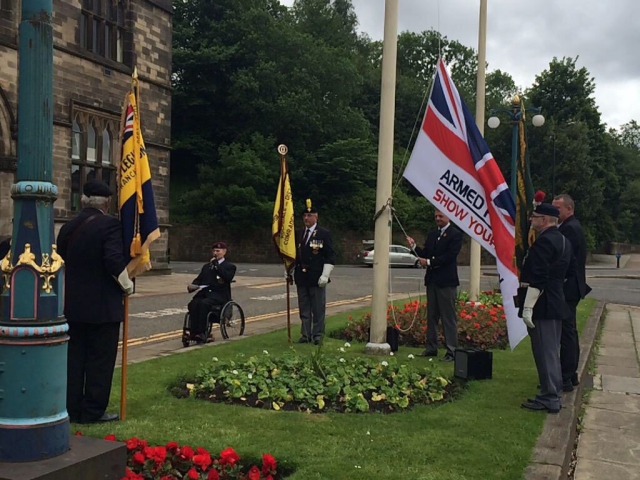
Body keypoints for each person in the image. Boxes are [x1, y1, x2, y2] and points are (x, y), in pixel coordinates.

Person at [56, 179, 134, 424]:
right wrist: (127, 285)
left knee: (74, 360)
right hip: (102, 307)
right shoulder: (110, 225)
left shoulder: (67, 227)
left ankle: (72, 408)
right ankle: (93, 411)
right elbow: (112, 260)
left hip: (72, 305)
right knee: (100, 361)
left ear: (83, 200)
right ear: (108, 202)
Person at [519, 203, 573, 414]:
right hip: (556, 299)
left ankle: (550, 396)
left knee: (544, 351)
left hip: (543, 303)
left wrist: (528, 307)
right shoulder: (563, 240)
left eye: (534, 217)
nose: (531, 220)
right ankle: (552, 392)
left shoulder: (544, 242)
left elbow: (538, 277)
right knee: (550, 350)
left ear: (544, 220)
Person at [406, 209, 462, 362]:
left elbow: (449, 257)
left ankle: (452, 351)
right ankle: (431, 348)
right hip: (432, 281)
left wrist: (429, 262)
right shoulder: (432, 234)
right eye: (436, 216)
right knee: (432, 316)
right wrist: (414, 247)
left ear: (448, 217)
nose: (438, 218)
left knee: (448, 317)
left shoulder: (455, 234)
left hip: (446, 282)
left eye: (440, 216)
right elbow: (426, 253)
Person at [552, 194, 590, 392]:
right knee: (569, 330)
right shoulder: (571, 227)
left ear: (569, 209)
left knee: (566, 332)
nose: (555, 211)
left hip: (569, 287)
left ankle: (566, 376)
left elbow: (565, 259)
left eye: (557, 208)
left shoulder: (569, 229)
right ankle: (570, 373)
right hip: (572, 286)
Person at [293, 199, 336, 345]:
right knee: (304, 308)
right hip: (301, 276)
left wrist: (325, 274)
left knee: (318, 308)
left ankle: (317, 334)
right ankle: (305, 334)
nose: (306, 218)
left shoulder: (323, 233)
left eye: (309, 215)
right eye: (304, 215)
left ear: (316, 217)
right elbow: (295, 255)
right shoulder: (298, 234)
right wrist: (289, 269)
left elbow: (330, 255)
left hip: (317, 276)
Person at [187, 242, 236, 343]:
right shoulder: (206, 267)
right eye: (214, 251)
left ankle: (202, 332)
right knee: (193, 303)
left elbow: (227, 277)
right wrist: (193, 285)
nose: (215, 253)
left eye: (218, 251)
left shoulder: (229, 266)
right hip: (205, 293)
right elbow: (199, 279)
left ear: (224, 252)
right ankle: (193, 331)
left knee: (204, 304)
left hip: (219, 294)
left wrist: (216, 265)